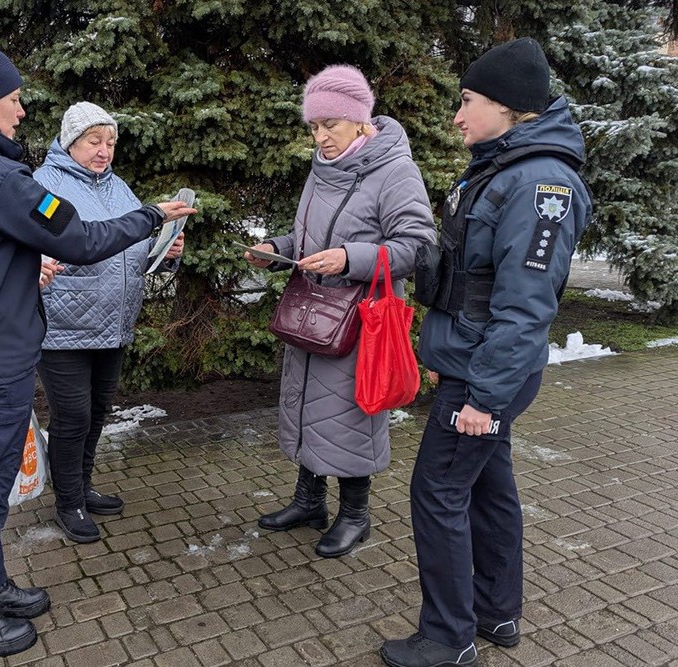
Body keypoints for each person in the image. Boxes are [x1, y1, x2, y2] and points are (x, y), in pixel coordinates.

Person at [0, 38, 195, 662]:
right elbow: (77, 236)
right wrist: (150, 217)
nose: (23, 111)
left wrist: (10, 275)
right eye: (13, 99)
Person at [379, 38, 592, 667]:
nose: (457, 115)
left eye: (468, 101)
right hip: (478, 366)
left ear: (508, 106)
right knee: (488, 488)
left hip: (484, 376)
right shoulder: (508, 168)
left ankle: (447, 637)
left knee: (437, 490)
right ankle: (496, 612)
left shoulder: (539, 185)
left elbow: (525, 306)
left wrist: (483, 397)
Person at [246, 64, 434, 558]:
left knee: (351, 414)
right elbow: (309, 237)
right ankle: (309, 501)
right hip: (313, 312)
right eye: (314, 126)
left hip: (360, 320)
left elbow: (418, 245)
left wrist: (353, 258)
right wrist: (275, 246)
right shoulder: (321, 167)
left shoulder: (394, 171)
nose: (321, 136)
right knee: (309, 405)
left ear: (359, 121)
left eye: (330, 124)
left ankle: (356, 516)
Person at [32, 101, 185, 543]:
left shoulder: (119, 188)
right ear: (70, 141)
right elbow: (37, 243)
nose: (105, 151)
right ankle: (68, 503)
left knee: (96, 414)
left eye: (111, 142)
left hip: (112, 324)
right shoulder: (43, 186)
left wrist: (165, 253)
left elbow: (133, 246)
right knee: (73, 416)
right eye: (95, 141)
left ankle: (80, 487)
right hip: (61, 326)